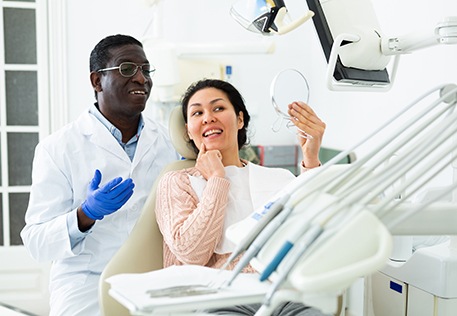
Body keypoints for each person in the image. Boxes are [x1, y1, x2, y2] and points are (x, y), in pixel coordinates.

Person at [20, 34, 179, 315]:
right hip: (86, 285)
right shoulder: (57, 148)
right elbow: (37, 243)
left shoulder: (167, 141)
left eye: (145, 69)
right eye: (127, 69)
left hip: (154, 280)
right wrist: (85, 214)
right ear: (96, 81)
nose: (141, 79)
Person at [155, 79, 328, 315]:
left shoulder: (277, 178)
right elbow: (191, 253)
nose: (208, 118)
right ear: (188, 130)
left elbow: (314, 233)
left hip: (282, 295)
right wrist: (217, 180)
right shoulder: (177, 182)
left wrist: (311, 159)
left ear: (239, 119)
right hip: (215, 299)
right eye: (197, 113)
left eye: (218, 108)